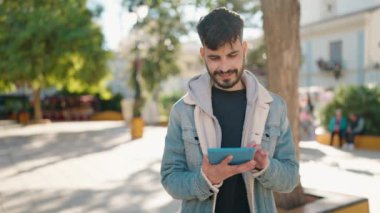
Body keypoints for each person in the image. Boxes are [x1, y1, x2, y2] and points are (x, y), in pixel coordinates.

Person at [160, 8, 299, 213]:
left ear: (244, 49)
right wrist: (205, 179)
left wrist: (266, 166)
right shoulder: (183, 110)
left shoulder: (274, 107)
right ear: (203, 54)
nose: (224, 67)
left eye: (232, 55)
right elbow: (170, 178)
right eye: (215, 58)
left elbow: (291, 179)